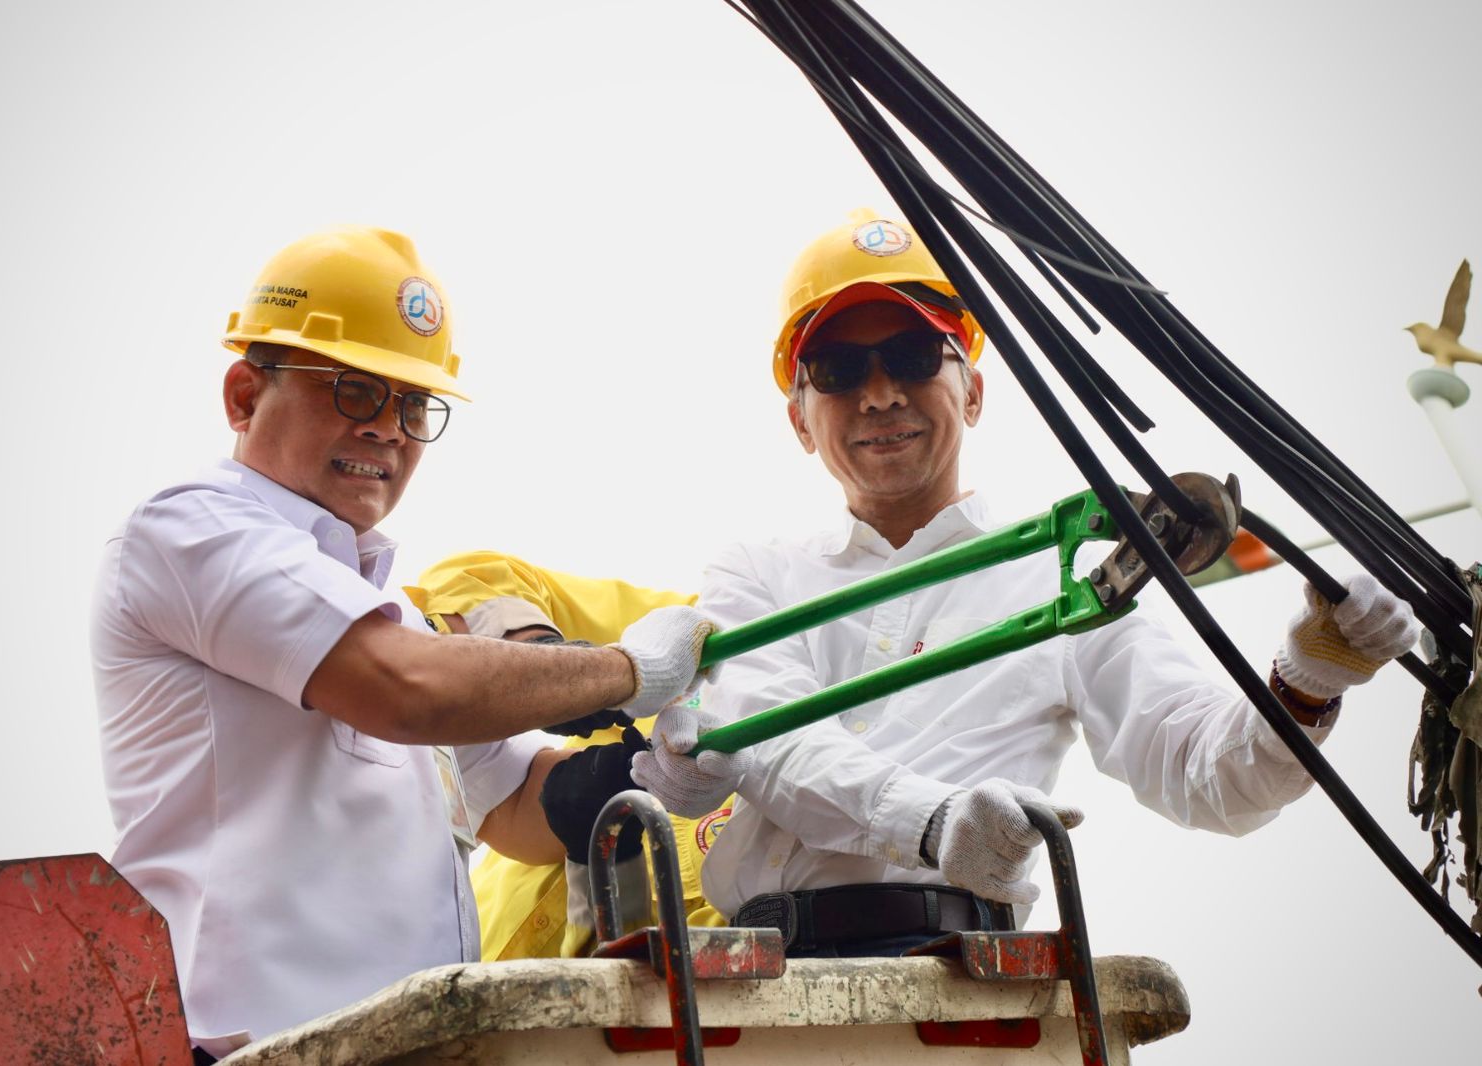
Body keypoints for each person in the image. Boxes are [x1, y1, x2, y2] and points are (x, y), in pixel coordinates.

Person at [631, 209, 1420, 957]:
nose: (878, 394)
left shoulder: (1066, 580)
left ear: (973, 391)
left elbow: (1207, 777)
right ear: (801, 420)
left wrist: (1309, 677)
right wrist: (934, 820)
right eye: (837, 370)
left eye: (910, 354)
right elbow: (773, 740)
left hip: (967, 979)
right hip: (762, 986)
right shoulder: (753, 573)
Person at [90, 225, 712, 1057]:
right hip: (258, 1051)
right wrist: (626, 670)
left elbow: (513, 809)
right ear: (244, 396)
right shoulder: (191, 530)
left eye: (413, 405)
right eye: (353, 391)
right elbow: (409, 691)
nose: (388, 429)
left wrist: (647, 777)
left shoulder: (390, 611)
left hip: (407, 1045)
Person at [409, 550, 732, 960]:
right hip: (472, 979)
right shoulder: (710, 631)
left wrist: (614, 862)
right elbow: (475, 579)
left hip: (615, 1007)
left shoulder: (824, 824)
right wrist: (546, 662)